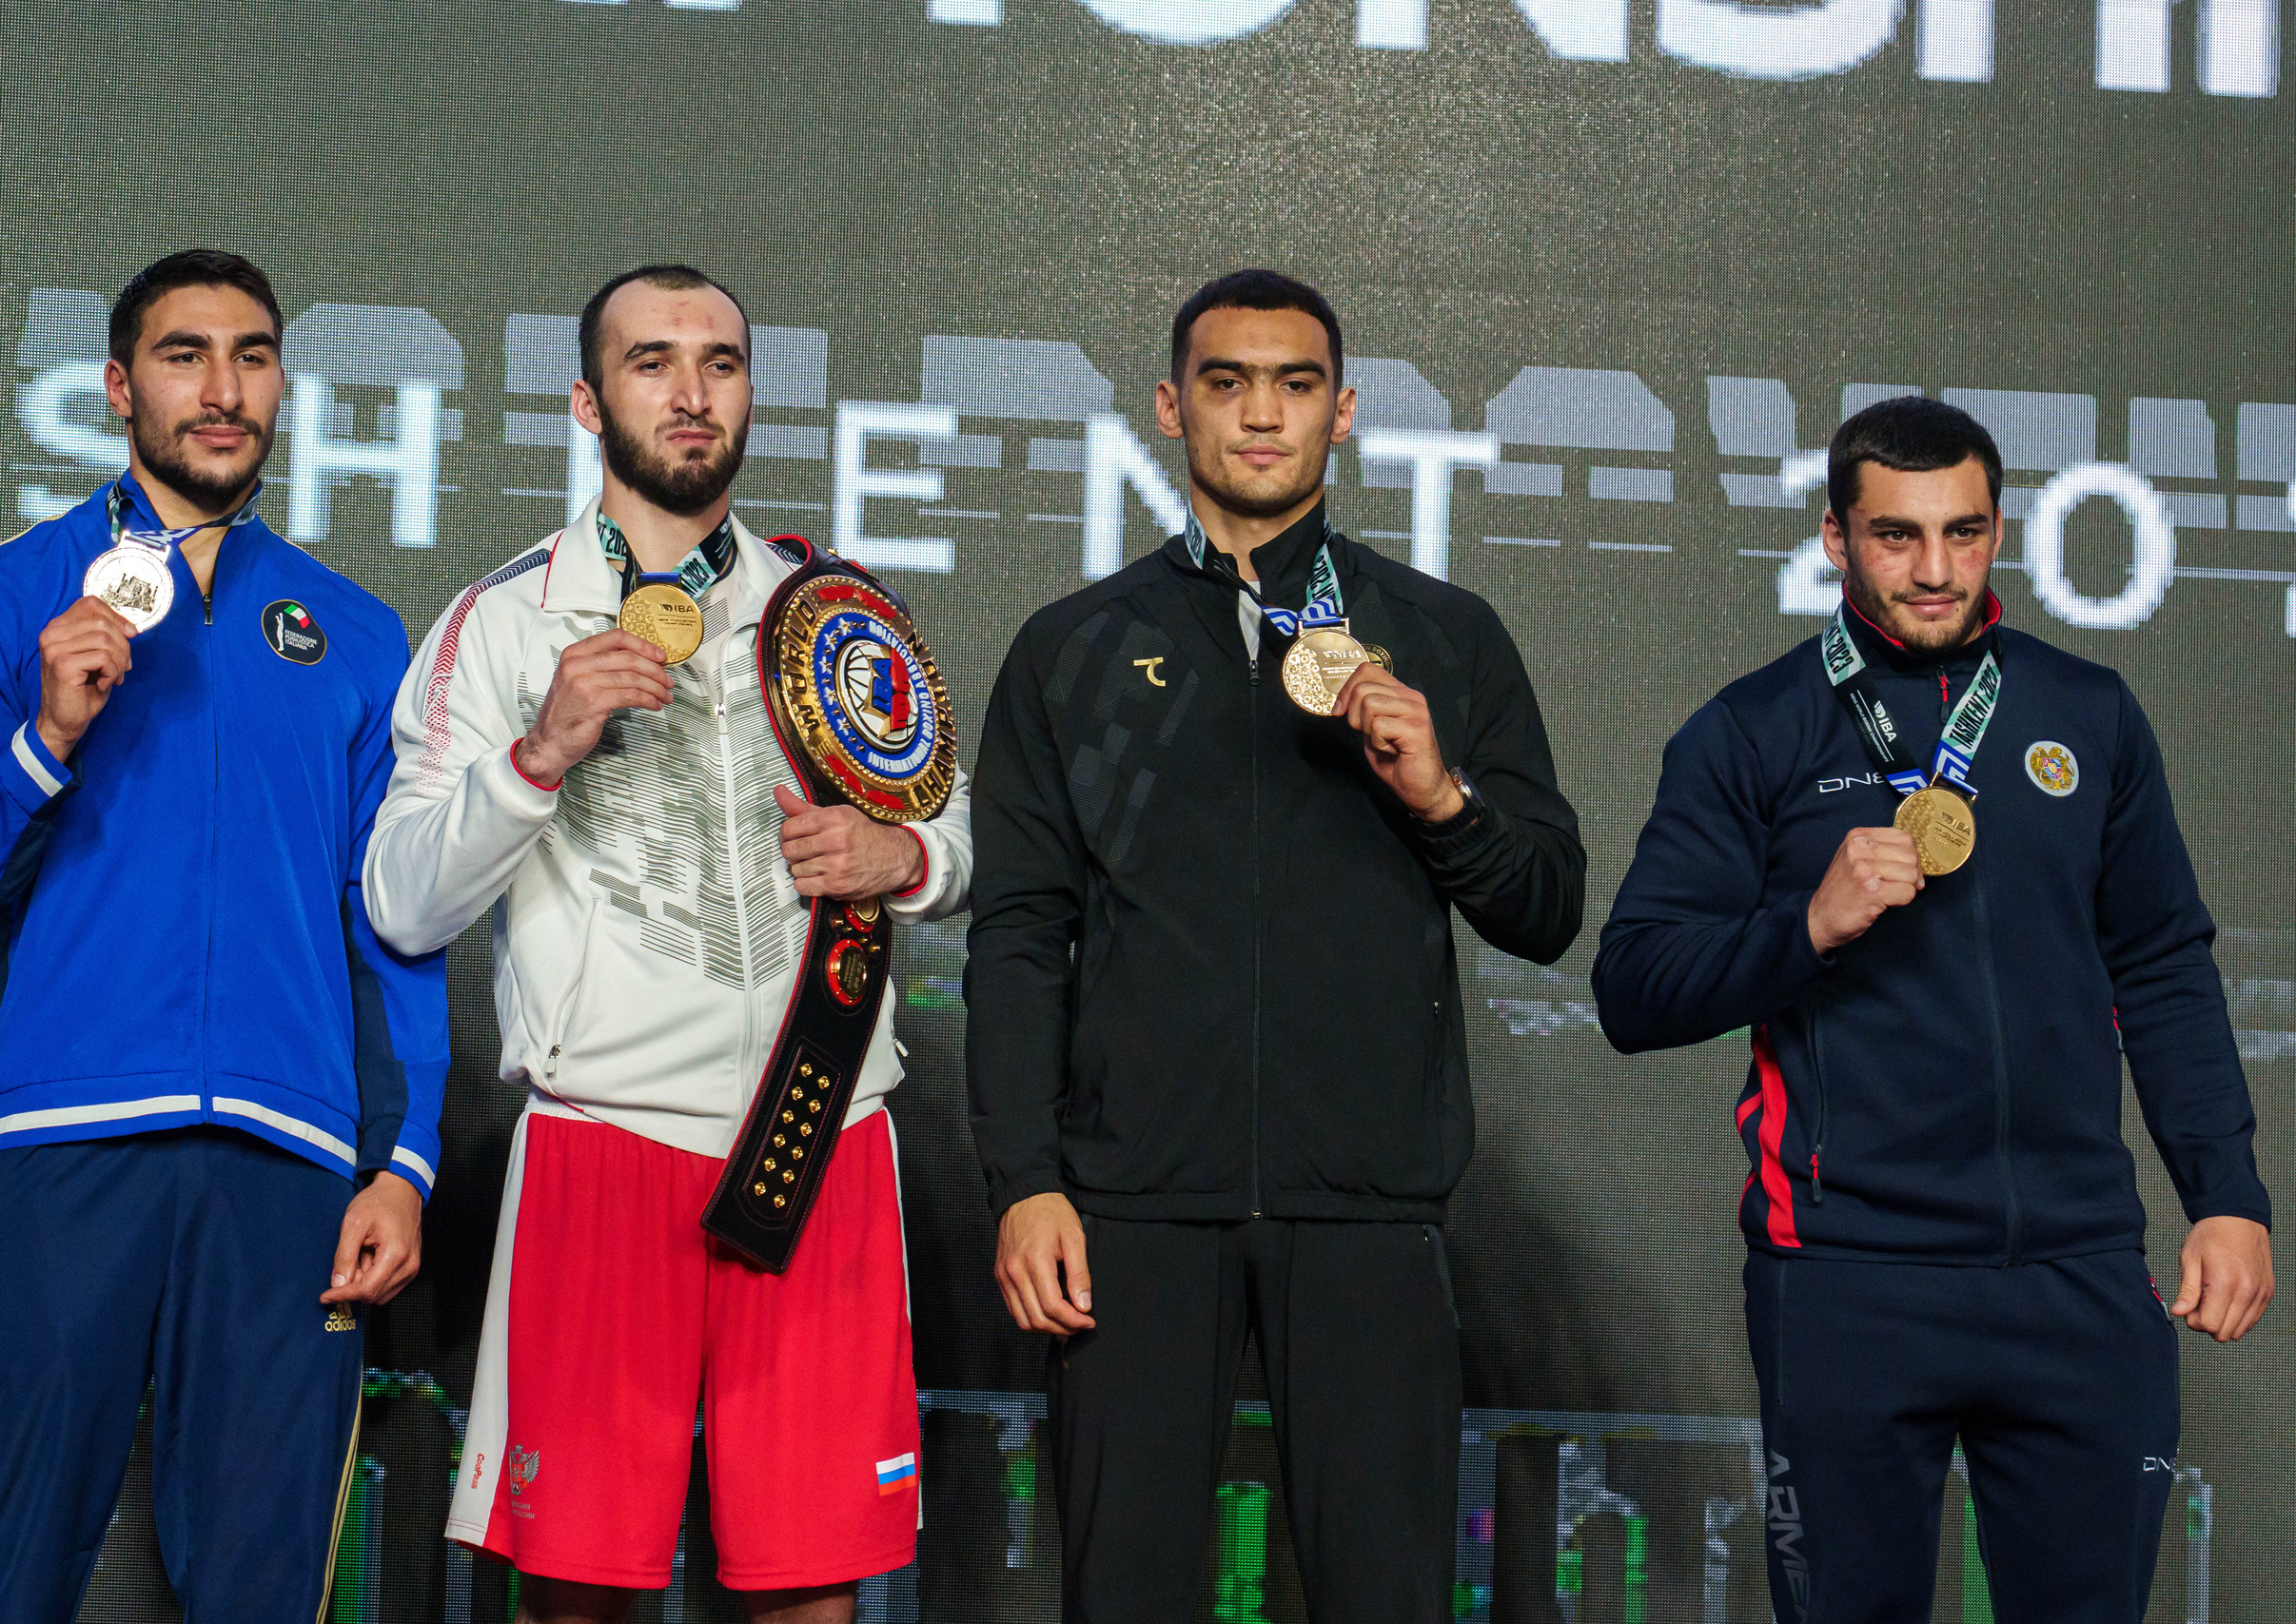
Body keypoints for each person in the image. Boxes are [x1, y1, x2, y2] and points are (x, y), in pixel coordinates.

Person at [963, 268, 1583, 1621]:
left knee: (1387, 1598)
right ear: (1171, 405)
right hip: (1131, 1210)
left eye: (1295, 385)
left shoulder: (1442, 639)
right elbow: (1019, 932)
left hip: (1364, 1205)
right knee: (1116, 1596)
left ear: (1343, 411)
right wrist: (1025, 1176)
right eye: (1229, 383)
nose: (1262, 416)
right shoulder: (1072, 649)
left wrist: (1439, 795)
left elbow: (1543, 906)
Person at [1592, 396, 2273, 1620]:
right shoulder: (1753, 730)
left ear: (1998, 532)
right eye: (1896, 536)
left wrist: (2224, 1193)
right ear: (1834, 540)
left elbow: (2163, 965)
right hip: (1849, 1276)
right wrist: (1804, 927)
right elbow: (1633, 986)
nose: (1933, 569)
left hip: (2073, 1275)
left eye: (1962, 534)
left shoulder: (2089, 716)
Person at [364, 264, 971, 1624]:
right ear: (589, 398)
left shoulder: (834, 604)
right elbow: (402, 899)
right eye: (652, 361)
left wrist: (907, 855)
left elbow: (957, 831)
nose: (691, 391)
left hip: (819, 1144)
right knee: (574, 1591)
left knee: (811, 1596)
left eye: (720, 362)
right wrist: (538, 754)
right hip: (603, 1145)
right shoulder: (507, 619)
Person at [0, 248, 448, 1624]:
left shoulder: (360, 634)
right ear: (120, 387)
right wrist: (46, 734)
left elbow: (399, 929)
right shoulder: (4, 595)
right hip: (63, 1149)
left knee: (262, 1594)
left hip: (291, 1170)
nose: (224, 388)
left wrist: (408, 1161)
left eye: (252, 356)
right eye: (187, 355)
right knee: (12, 1577)